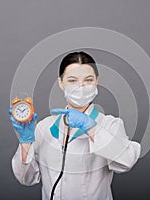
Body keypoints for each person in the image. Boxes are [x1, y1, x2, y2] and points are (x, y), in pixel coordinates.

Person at [8, 51, 141, 200]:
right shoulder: (44, 127)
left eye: (88, 80)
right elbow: (26, 178)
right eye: (72, 80)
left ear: (97, 81)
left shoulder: (110, 125)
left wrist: (91, 128)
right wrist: (26, 142)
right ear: (61, 83)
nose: (81, 86)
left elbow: (126, 161)